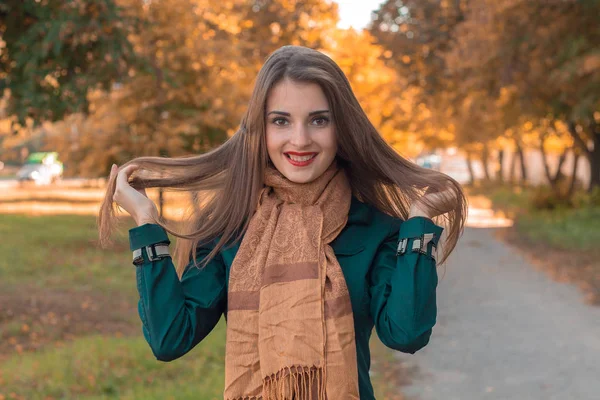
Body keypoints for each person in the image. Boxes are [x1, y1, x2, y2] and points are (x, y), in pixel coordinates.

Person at [98, 45, 466, 400]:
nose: (300, 139)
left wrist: (418, 221)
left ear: (342, 128)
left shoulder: (375, 229)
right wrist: (146, 222)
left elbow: (406, 334)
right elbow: (169, 338)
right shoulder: (230, 230)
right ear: (261, 129)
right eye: (281, 121)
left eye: (318, 120)